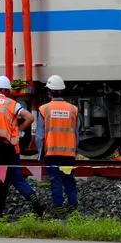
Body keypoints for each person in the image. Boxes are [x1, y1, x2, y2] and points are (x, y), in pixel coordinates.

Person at [0, 76, 45, 219]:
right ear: (7, 91)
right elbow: (30, 118)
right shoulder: (11, 104)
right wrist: (19, 128)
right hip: (3, 148)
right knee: (2, 183)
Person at [36, 75, 79, 216]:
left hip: (52, 154)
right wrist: (75, 151)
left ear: (49, 92)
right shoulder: (73, 110)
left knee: (55, 182)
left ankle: (59, 212)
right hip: (68, 155)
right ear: (62, 91)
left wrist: (40, 154)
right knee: (69, 182)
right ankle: (73, 210)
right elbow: (76, 134)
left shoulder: (44, 109)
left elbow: (40, 136)